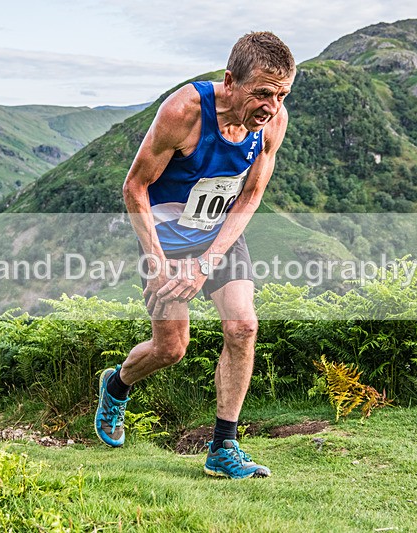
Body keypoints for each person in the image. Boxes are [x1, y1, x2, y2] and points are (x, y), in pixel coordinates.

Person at [95, 31, 295, 478]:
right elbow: (134, 186)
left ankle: (223, 447)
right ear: (230, 80)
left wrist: (208, 261)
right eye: (262, 93)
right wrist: (155, 263)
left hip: (219, 235)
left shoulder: (273, 122)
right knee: (171, 349)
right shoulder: (184, 111)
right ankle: (116, 385)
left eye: (282, 95)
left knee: (243, 326)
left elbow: (251, 195)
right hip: (165, 238)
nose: (272, 106)